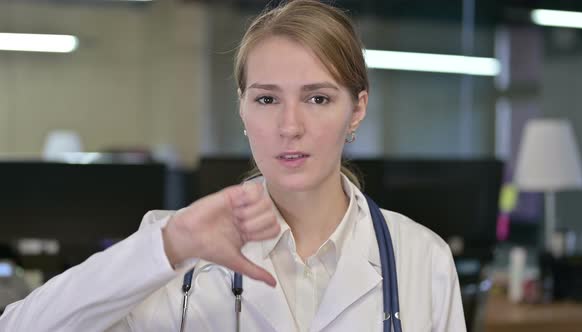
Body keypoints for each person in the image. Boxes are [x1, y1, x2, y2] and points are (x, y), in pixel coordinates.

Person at [0, 0, 466, 331]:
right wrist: (169, 247)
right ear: (242, 109)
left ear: (357, 110)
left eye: (318, 98)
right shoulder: (172, 247)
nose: (289, 125)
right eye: (266, 98)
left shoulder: (422, 259)